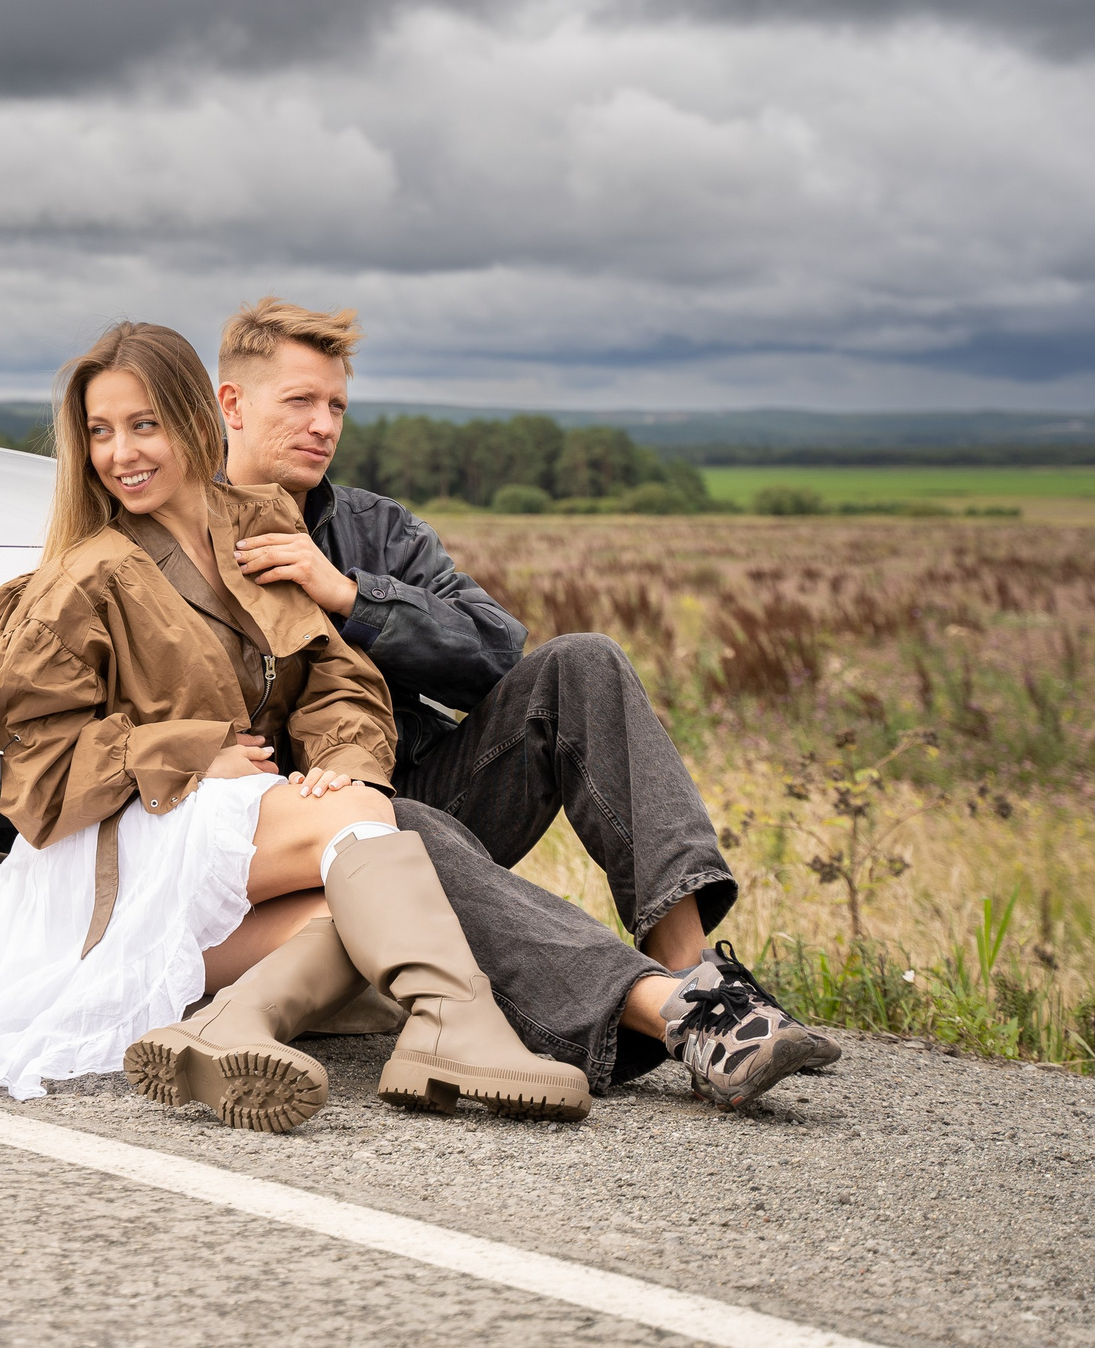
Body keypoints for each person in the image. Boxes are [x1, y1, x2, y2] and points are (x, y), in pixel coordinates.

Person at [0, 322, 590, 1130]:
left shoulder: (260, 529)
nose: (122, 454)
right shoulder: (83, 579)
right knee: (360, 829)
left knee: (352, 886)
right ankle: (456, 1029)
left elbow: (336, 674)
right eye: (102, 432)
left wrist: (347, 761)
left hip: (220, 834)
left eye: (144, 424)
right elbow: (14, 758)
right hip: (126, 839)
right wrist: (186, 752)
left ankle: (224, 1029)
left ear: (195, 416)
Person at [211, 298, 840, 1109]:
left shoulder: (373, 529)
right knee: (391, 821)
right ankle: (666, 1015)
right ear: (233, 402)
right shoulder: (186, 535)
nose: (323, 424)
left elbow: (495, 654)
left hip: (421, 788)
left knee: (583, 662)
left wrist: (350, 594)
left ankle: (700, 980)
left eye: (336, 405)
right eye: (299, 401)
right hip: (302, 836)